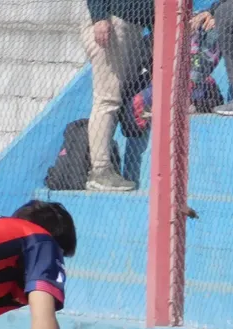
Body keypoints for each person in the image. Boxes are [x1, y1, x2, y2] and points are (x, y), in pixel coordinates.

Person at [81, 0, 154, 191]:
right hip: (113, 24)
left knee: (117, 96)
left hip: (131, 28)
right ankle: (100, 171)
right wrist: (99, 18)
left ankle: (104, 168)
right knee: (107, 100)